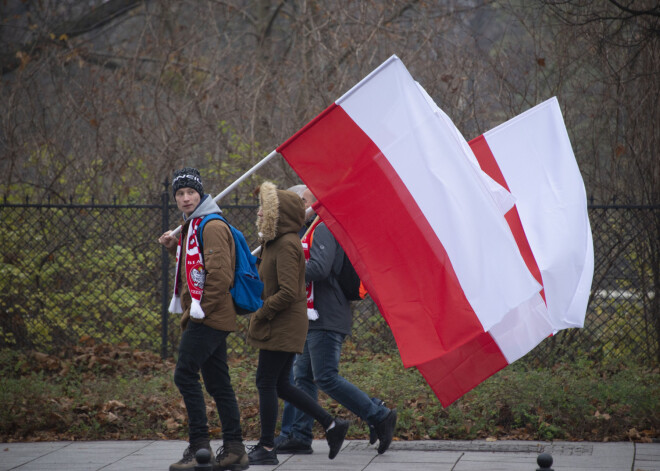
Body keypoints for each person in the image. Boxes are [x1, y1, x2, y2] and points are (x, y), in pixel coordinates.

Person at [276, 188, 398, 456]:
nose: (296, 208)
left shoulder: (323, 228)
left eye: (300, 202)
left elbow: (319, 268)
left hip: (327, 315)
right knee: (303, 378)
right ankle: (299, 435)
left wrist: (283, 270)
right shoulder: (306, 231)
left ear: (312, 204)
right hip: (313, 316)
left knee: (325, 376)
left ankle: (379, 414)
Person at [245, 181, 349, 466]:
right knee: (281, 384)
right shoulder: (275, 243)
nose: (259, 214)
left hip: (283, 323)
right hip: (280, 321)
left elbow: (290, 291)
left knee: (266, 382)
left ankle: (267, 448)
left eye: (264, 210)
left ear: (280, 216)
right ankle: (331, 425)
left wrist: (262, 311)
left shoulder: (287, 245)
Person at [158, 167, 249, 471]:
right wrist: (175, 250)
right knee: (218, 383)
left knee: (184, 374)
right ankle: (235, 450)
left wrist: (200, 313)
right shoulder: (192, 227)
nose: (185, 199)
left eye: (190, 193)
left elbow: (218, 276)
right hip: (211, 314)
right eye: (180, 194)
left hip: (208, 316)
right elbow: (196, 271)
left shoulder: (209, 226)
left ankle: (199, 448)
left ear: (201, 194)